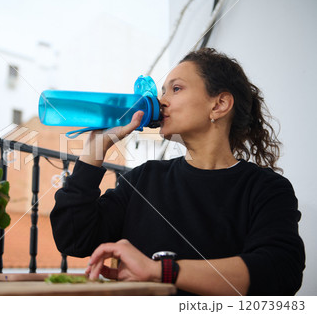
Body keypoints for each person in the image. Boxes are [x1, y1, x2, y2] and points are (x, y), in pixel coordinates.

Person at [50, 48, 305, 295]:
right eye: (163, 91)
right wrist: (95, 148)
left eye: (176, 88)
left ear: (219, 104)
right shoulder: (144, 179)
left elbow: (279, 271)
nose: (161, 101)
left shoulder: (266, 188)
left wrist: (160, 271)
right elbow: (74, 238)